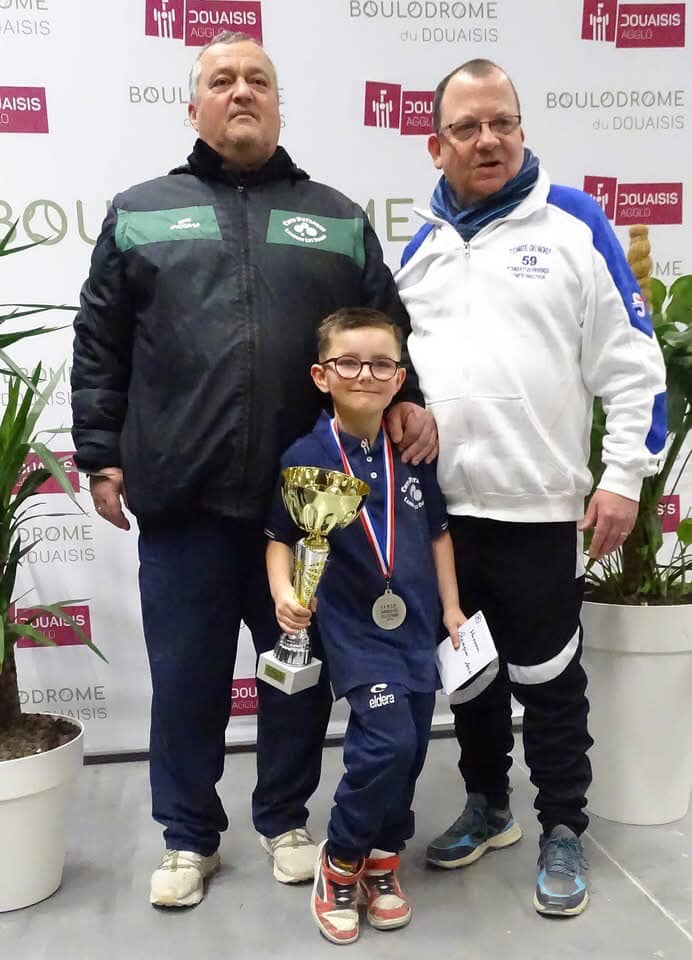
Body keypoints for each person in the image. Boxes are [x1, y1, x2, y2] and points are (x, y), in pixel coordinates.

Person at [70, 31, 436, 909]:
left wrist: (409, 398)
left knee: (296, 675)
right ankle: (186, 837)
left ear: (277, 104)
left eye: (258, 80)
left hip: (307, 513)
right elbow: (100, 344)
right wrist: (101, 453)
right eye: (223, 80)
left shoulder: (335, 216)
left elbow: (382, 327)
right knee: (186, 682)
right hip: (182, 501)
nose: (241, 92)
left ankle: (284, 820)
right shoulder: (140, 211)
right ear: (193, 105)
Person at [395, 59, 666, 917]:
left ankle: (562, 827)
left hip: (538, 509)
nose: (489, 140)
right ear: (436, 146)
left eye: (503, 122)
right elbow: (396, 373)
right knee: (469, 674)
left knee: (549, 680)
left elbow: (635, 367)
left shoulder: (574, 223)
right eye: (468, 127)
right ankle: (489, 804)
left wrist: (623, 479)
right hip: (443, 516)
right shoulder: (422, 249)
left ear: (521, 128)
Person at [265, 307, 466, 945]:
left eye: (382, 364)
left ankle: (383, 858)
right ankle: (342, 858)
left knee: (412, 747)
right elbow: (280, 539)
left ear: (400, 376)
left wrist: (452, 607)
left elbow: (438, 534)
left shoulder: (412, 451)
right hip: (354, 629)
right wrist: (285, 594)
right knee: (387, 744)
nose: (365, 375)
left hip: (417, 624)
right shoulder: (306, 456)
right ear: (322, 375)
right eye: (349, 362)